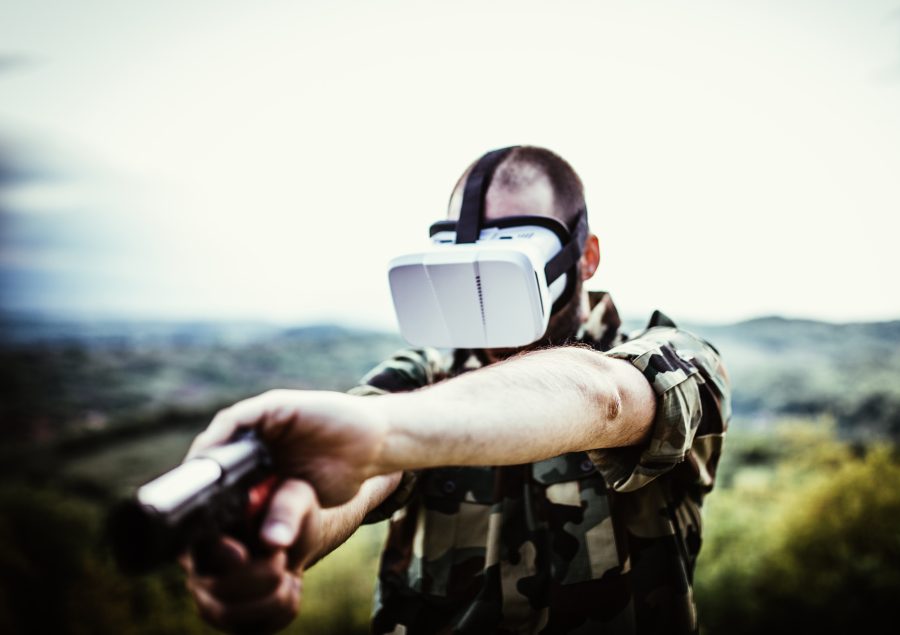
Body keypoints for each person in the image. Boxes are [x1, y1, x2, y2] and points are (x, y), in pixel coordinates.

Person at [181, 146, 731, 634]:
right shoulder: (424, 380)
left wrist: (383, 432)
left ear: (585, 256)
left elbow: (605, 399)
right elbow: (364, 473)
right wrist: (289, 533)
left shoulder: (671, 358)